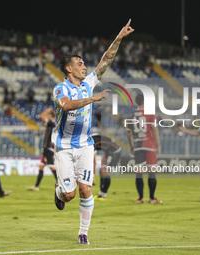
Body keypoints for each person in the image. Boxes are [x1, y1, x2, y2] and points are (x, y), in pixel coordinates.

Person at [52, 19, 134, 245]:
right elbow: (67, 106)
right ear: (69, 68)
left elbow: (105, 60)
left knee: (86, 190)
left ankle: (83, 233)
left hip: (86, 145)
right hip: (64, 146)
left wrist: (118, 37)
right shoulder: (60, 88)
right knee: (69, 195)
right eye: (79, 63)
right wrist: (94, 98)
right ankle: (59, 191)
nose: (84, 66)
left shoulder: (89, 82)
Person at [126, 93, 162, 204]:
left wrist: (131, 145)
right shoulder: (150, 113)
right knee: (151, 171)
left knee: (139, 172)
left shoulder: (131, 115)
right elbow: (154, 129)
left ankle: (140, 198)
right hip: (149, 145)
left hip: (137, 145)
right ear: (144, 102)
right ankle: (152, 198)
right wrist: (158, 145)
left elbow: (128, 132)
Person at [28, 108, 57, 191]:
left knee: (52, 167)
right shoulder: (52, 124)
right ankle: (36, 186)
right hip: (47, 148)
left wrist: (47, 111)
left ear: (50, 116)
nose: (46, 116)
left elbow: (41, 116)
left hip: (48, 148)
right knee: (41, 167)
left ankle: (61, 184)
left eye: (47, 115)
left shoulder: (51, 123)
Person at [92, 134, 122, 200]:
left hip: (114, 151)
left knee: (106, 171)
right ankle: (101, 193)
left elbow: (93, 160)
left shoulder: (91, 142)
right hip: (108, 151)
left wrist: (92, 176)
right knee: (101, 171)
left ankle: (104, 195)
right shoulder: (91, 140)